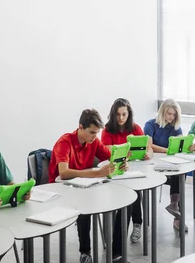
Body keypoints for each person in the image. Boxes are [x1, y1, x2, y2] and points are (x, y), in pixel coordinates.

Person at [49, 109, 129, 263]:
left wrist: (122, 163)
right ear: (80, 127)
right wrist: (98, 173)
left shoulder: (93, 141)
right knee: (84, 208)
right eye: (92, 132)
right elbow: (64, 173)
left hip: (85, 186)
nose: (95, 137)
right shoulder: (64, 142)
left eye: (97, 133)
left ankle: (116, 251)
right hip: (61, 189)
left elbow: (110, 157)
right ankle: (85, 252)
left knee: (122, 201)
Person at [101, 98, 153, 243]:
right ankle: (119, 233)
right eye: (118, 115)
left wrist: (148, 153)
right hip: (115, 170)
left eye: (124, 114)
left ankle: (137, 224)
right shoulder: (107, 130)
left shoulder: (135, 128)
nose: (121, 118)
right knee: (130, 191)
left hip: (135, 169)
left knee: (135, 189)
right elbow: (108, 151)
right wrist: (125, 152)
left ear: (129, 114)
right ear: (113, 114)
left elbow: (147, 145)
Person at [144, 98, 186, 231]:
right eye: (169, 114)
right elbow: (148, 145)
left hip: (169, 164)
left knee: (180, 175)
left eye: (174, 115)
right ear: (162, 112)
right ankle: (174, 209)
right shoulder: (150, 125)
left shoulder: (175, 127)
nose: (171, 117)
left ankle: (175, 210)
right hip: (152, 166)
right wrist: (166, 150)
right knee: (177, 175)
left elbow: (180, 145)